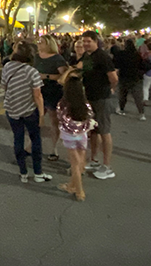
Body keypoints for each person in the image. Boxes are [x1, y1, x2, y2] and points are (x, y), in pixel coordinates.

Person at [1, 42, 53, 183]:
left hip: (12, 109)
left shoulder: (7, 67)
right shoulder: (32, 72)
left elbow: (5, 86)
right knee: (35, 139)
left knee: (18, 139)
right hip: (29, 110)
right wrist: (41, 115)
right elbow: (37, 96)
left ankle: (23, 172)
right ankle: (38, 173)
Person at [79, 31, 118, 180]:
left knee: (104, 130)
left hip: (102, 97)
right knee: (93, 130)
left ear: (96, 41)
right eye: (84, 41)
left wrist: (111, 89)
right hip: (90, 97)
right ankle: (94, 159)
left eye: (88, 41)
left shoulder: (103, 56)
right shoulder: (87, 56)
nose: (86, 44)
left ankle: (107, 166)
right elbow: (80, 69)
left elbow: (113, 77)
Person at [57, 70, 96, 202]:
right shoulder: (84, 103)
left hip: (69, 136)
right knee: (80, 161)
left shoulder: (63, 104)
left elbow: (60, 118)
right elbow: (90, 115)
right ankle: (72, 185)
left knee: (75, 163)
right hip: (83, 135)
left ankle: (79, 191)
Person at [33, 35, 68, 160]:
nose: (39, 44)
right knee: (35, 119)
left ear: (49, 44)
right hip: (38, 91)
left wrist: (45, 76)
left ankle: (54, 148)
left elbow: (63, 76)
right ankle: (32, 145)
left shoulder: (57, 58)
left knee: (54, 121)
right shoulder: (36, 57)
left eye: (41, 42)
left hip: (53, 91)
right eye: (39, 42)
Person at [114, 39, 146, 121]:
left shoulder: (121, 54)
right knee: (138, 97)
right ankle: (141, 113)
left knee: (122, 95)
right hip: (135, 77)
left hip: (124, 76)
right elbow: (142, 65)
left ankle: (121, 109)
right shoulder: (137, 55)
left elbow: (116, 65)